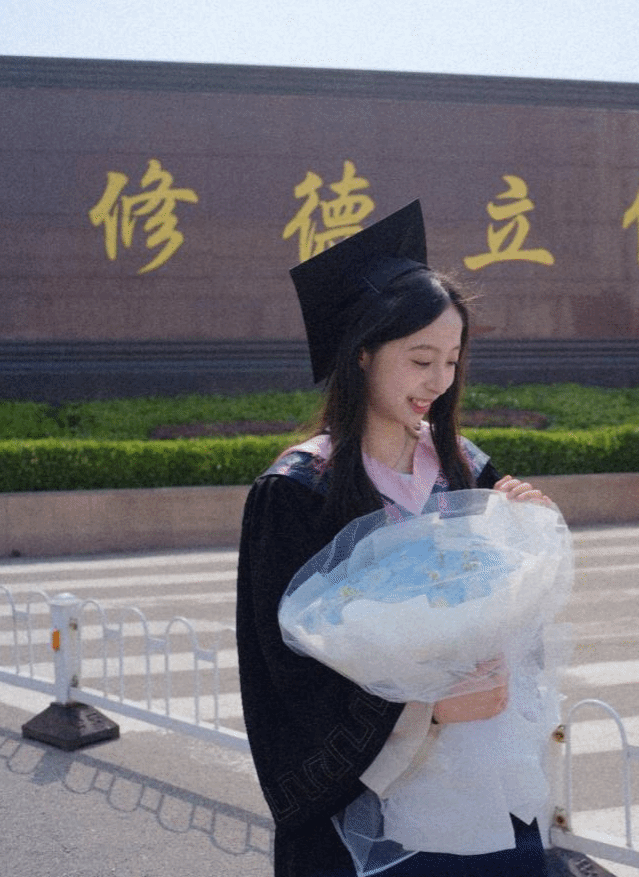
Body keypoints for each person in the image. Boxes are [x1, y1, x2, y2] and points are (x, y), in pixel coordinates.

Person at [236, 200, 558, 877]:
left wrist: (527, 526)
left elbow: (512, 612)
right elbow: (286, 678)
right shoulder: (298, 491)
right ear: (362, 352)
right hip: (367, 808)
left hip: (478, 783)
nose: (439, 382)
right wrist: (425, 710)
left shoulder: (464, 466)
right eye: (420, 359)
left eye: (451, 360)